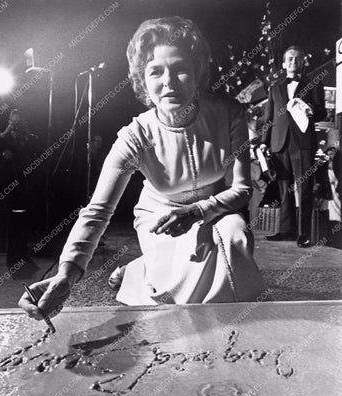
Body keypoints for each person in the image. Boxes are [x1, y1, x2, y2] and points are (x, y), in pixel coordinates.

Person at [19, 16, 267, 320]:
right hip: (159, 219)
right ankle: (153, 277)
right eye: (156, 72)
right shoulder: (134, 137)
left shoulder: (230, 114)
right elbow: (97, 211)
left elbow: (242, 189)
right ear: (142, 80)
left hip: (215, 213)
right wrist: (66, 275)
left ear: (198, 72)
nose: (169, 82)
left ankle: (214, 313)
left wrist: (198, 211)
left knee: (233, 232)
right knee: (191, 264)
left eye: (180, 70)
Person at [260, 45, 326, 247]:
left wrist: (310, 110)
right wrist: (264, 142)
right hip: (279, 143)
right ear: (283, 63)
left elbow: (322, 112)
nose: (293, 63)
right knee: (283, 189)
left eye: (297, 59)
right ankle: (286, 230)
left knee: (305, 188)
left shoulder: (313, 83)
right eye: (289, 59)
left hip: (303, 143)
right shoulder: (275, 87)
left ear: (303, 62)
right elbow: (268, 118)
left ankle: (304, 233)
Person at [0, 109, 40, 263]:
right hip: (7, 182)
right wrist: (7, 130)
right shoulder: (4, 137)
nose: (15, 125)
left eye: (17, 121)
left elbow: (30, 156)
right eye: (12, 121)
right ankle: (12, 252)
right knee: (10, 218)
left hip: (22, 182)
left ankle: (21, 250)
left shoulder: (26, 138)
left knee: (22, 216)